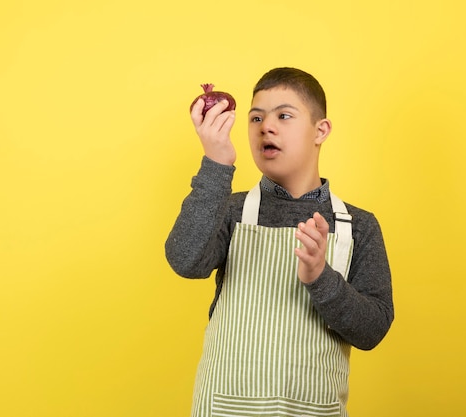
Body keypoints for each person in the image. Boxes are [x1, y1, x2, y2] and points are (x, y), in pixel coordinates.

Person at [165, 67, 393, 417]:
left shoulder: (357, 226)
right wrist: (216, 164)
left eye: (283, 116)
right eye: (255, 118)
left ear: (321, 131)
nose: (265, 127)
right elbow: (185, 259)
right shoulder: (231, 210)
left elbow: (372, 330)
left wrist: (321, 278)